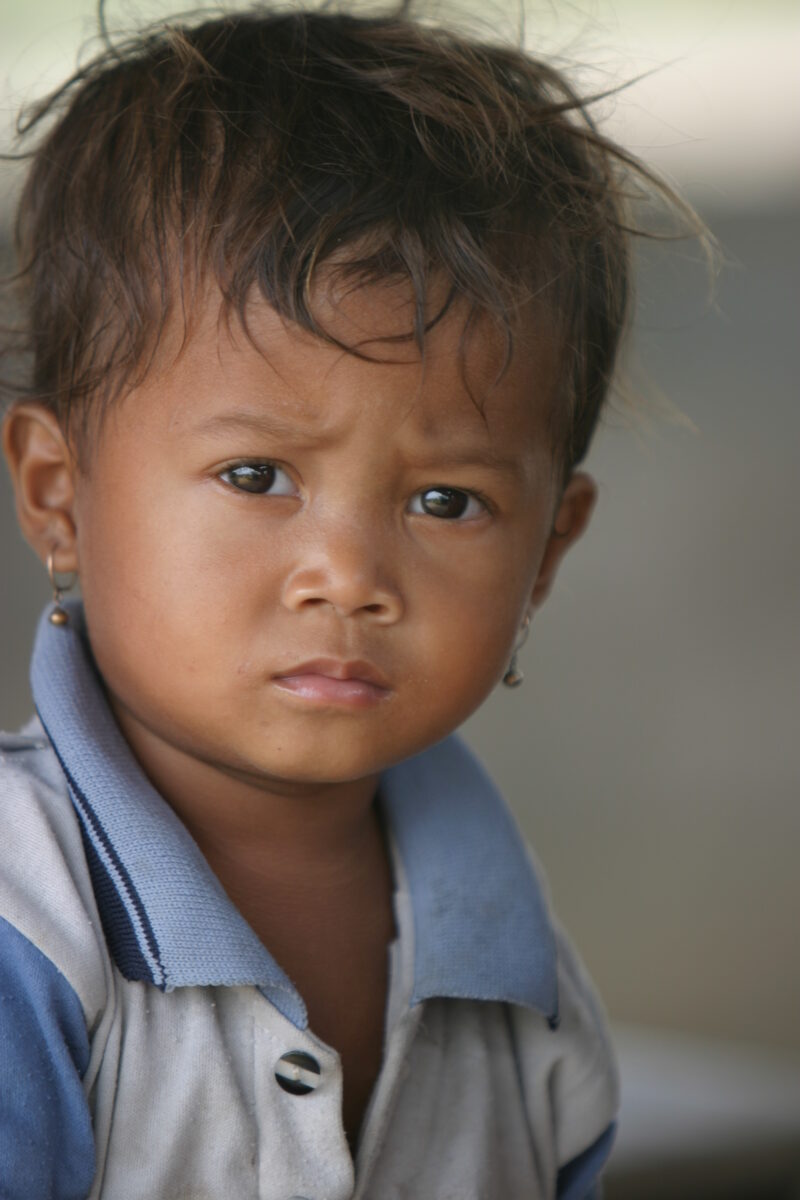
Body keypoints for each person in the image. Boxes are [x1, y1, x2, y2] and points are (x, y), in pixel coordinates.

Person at [0, 5, 700, 1197]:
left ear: (545, 552)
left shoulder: (524, 981)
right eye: (255, 477)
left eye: (444, 501)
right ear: (58, 494)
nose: (349, 576)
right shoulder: (27, 915)